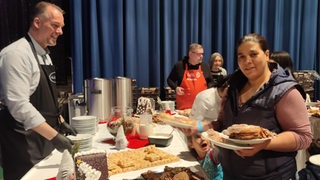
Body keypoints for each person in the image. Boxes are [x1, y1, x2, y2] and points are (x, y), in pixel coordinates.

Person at [215, 33, 312, 179]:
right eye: (241, 56)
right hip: (231, 174)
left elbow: (303, 137)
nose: (247, 61)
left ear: (266, 55)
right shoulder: (232, 87)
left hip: (272, 175)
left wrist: (264, 144)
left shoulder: (284, 91)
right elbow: (223, 124)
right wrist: (199, 127)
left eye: (253, 54)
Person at [0, 2, 77, 179]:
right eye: (55, 26)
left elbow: (46, 99)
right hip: (23, 143)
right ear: (37, 22)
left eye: (61, 27)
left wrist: (60, 120)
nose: (60, 32)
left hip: (43, 139)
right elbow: (19, 106)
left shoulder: (45, 55)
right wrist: (55, 136)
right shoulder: (16, 54)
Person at [167, 43, 213, 110]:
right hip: (184, 107)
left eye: (202, 54)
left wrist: (209, 90)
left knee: (200, 121)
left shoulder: (205, 66)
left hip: (202, 107)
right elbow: (170, 80)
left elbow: (211, 81)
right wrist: (176, 88)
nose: (201, 56)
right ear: (190, 54)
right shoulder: (179, 66)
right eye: (198, 54)